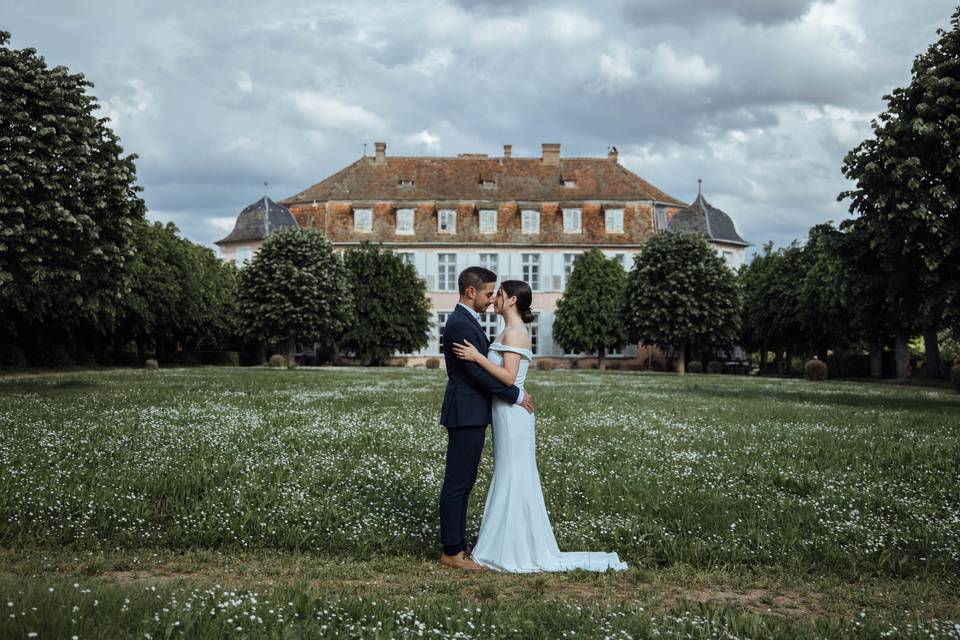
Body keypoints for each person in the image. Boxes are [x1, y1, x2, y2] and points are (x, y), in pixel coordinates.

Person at [452, 279, 628, 573]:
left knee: (513, 475)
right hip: (505, 412)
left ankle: (510, 548)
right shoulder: (508, 329)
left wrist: (478, 357)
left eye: (500, 294)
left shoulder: (518, 331)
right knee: (509, 474)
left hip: (512, 414)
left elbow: (508, 378)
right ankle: (507, 542)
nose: (494, 298)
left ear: (511, 301)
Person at [438, 267, 535, 571]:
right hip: (465, 412)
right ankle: (451, 552)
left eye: (495, 294)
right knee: (457, 481)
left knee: (465, 481)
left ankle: (457, 543)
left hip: (474, 412)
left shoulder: (468, 321)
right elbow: (476, 373)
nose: (491, 299)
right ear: (471, 292)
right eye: (488, 293)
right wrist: (515, 395)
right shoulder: (459, 325)